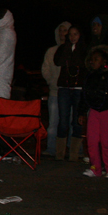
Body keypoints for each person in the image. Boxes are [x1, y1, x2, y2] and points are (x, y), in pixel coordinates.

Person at [78, 45, 108, 179]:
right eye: (91, 59)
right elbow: (84, 96)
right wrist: (81, 112)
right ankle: (95, 168)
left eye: (96, 59)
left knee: (107, 142)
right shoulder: (90, 77)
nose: (93, 62)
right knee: (92, 141)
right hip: (94, 111)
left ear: (104, 61)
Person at [53, 25, 88, 161]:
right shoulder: (63, 48)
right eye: (70, 34)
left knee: (77, 121)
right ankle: (59, 154)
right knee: (63, 120)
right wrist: (67, 49)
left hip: (79, 88)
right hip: (64, 88)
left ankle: (74, 154)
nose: (73, 37)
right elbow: (58, 61)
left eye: (76, 34)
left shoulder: (84, 49)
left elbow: (84, 64)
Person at [41, 21, 71, 156]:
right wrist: (51, 81)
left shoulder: (75, 50)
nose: (62, 33)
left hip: (71, 91)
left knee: (71, 121)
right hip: (55, 91)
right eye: (60, 30)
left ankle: (74, 150)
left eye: (65, 31)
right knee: (53, 122)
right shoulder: (52, 51)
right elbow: (45, 68)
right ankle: (51, 148)